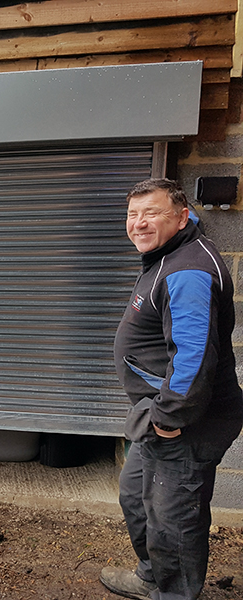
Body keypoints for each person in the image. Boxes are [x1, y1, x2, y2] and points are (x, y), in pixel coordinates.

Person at [102, 178, 243, 600]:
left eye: (152, 213)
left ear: (182, 217)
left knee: (174, 521)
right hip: (160, 414)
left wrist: (168, 418)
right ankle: (152, 577)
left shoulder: (187, 271)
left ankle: (175, 593)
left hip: (185, 422)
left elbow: (193, 356)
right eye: (133, 214)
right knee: (136, 498)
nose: (139, 223)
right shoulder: (168, 255)